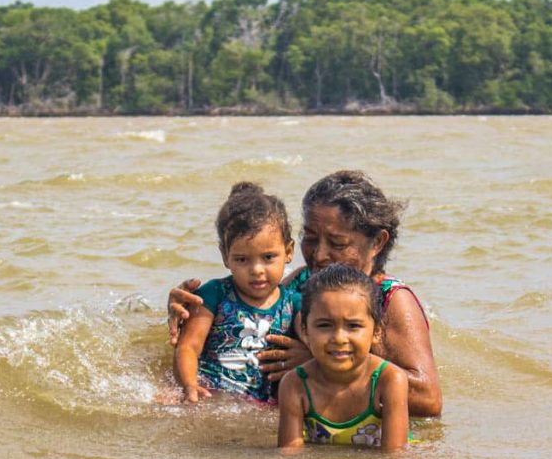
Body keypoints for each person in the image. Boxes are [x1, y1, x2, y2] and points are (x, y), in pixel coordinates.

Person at [169, 170, 443, 417]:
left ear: (377, 243)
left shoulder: (393, 300)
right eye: (310, 239)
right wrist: (186, 312)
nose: (319, 255)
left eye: (337, 243)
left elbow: (429, 399)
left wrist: (321, 366)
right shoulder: (302, 280)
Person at [173, 182, 300, 403]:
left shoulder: (296, 303)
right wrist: (189, 386)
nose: (257, 270)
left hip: (263, 406)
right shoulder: (214, 294)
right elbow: (188, 347)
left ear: (288, 252)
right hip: (212, 397)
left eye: (268, 257)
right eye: (242, 260)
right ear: (225, 256)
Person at [278, 264, 409, 451]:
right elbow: (289, 454)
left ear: (377, 332)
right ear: (305, 332)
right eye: (324, 325)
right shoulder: (295, 384)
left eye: (353, 326)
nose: (339, 338)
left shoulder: (388, 380)